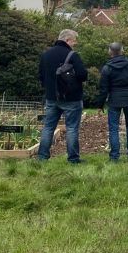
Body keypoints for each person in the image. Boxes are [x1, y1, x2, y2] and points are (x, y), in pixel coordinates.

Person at [37, 29, 88, 164]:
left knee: (48, 127)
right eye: (74, 41)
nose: (74, 44)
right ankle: (73, 159)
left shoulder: (46, 54)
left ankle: (42, 157)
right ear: (67, 40)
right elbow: (83, 75)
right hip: (71, 98)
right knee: (71, 128)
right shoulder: (72, 55)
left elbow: (41, 76)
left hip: (51, 97)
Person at [95, 42, 128, 161]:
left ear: (110, 52)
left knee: (113, 128)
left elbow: (103, 89)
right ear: (122, 50)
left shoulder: (107, 68)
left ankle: (114, 156)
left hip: (114, 100)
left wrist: (100, 105)